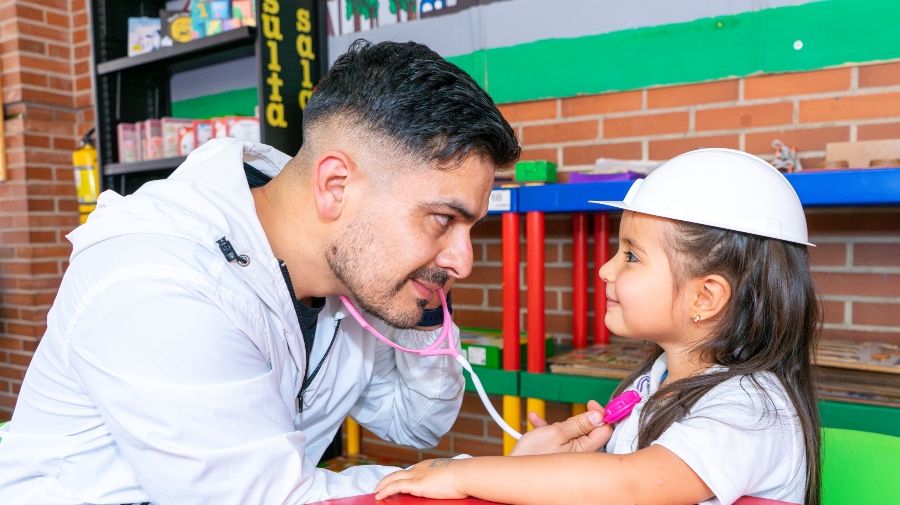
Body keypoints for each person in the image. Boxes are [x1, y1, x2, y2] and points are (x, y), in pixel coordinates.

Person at [0, 40, 533, 504]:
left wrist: (425, 299)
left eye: (471, 229)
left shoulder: (346, 266)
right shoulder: (160, 279)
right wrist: (499, 480)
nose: (464, 261)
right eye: (443, 219)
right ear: (336, 186)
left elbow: (415, 422)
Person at [375, 148, 822, 505]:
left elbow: (631, 487)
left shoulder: (751, 409)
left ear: (704, 297)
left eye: (630, 255)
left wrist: (462, 471)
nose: (606, 270)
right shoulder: (656, 383)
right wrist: (545, 465)